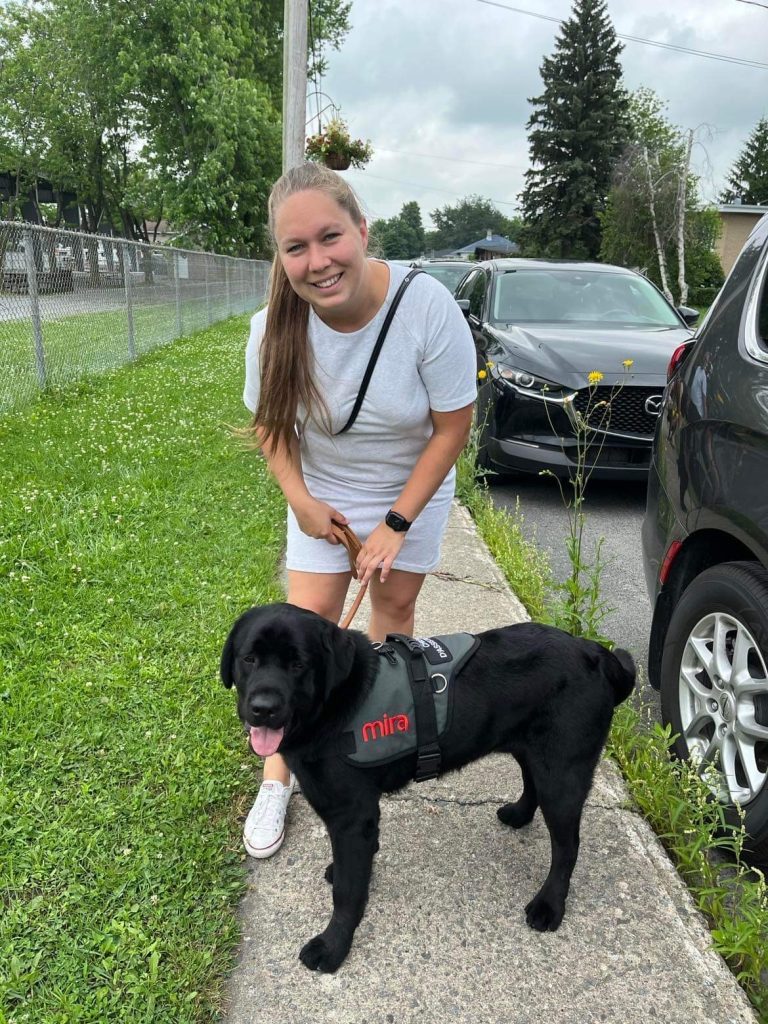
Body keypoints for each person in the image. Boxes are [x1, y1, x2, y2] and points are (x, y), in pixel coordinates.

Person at [240, 162, 477, 859]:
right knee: (302, 634)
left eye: (330, 237)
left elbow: (452, 428)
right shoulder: (271, 328)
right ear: (281, 258)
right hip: (326, 499)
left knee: (391, 624)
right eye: (296, 248)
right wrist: (304, 503)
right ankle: (279, 777)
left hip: (413, 489)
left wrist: (397, 524)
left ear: (362, 230)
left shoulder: (426, 308)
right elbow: (271, 429)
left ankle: (374, 747)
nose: (318, 262)